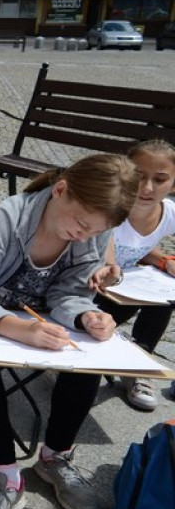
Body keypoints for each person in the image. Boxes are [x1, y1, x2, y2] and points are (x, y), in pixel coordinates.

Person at [0, 153, 138, 509]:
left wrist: (86, 317)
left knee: (89, 361)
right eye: (80, 224)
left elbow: (70, 293)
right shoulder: (9, 218)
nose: (83, 236)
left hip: (41, 320)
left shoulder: (92, 232)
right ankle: (7, 478)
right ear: (60, 190)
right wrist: (13, 327)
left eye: (94, 232)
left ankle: (55, 456)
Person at [88, 139, 175, 411]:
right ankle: (87, 361)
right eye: (139, 176)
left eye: (159, 179)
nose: (147, 188)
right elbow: (107, 250)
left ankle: (137, 364)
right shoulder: (110, 207)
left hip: (122, 294)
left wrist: (165, 260)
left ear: (173, 184)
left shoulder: (169, 213)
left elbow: (140, 247)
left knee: (166, 294)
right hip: (89, 294)